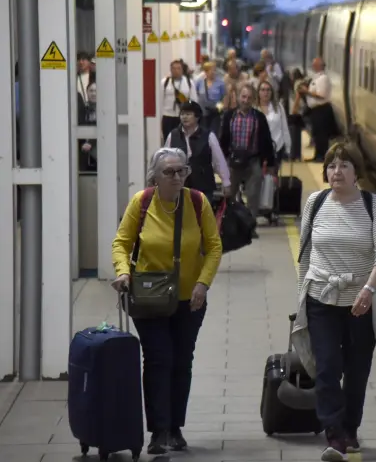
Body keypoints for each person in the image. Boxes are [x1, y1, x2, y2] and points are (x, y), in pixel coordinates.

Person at [291, 140, 376, 461]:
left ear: (357, 173)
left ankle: (350, 428)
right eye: (331, 166)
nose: (336, 171)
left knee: (357, 371)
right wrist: (301, 297)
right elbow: (305, 255)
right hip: (320, 299)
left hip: (360, 302)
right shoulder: (315, 201)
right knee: (327, 368)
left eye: (343, 165)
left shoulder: (374, 204)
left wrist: (368, 289)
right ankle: (334, 436)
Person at [110, 147, 223, 455]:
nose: (177, 177)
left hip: (190, 299)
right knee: (159, 359)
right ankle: (159, 431)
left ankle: (176, 428)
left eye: (181, 171)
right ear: (154, 177)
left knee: (181, 361)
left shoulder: (198, 203)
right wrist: (123, 273)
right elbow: (122, 243)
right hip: (150, 297)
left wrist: (203, 283)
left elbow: (213, 247)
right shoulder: (142, 203)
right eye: (169, 172)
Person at [218, 82, 277, 222]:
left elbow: (267, 141)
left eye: (249, 98)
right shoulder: (229, 117)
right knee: (229, 193)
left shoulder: (259, 117)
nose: (245, 100)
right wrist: (221, 161)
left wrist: (270, 163)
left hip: (253, 160)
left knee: (253, 194)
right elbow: (223, 140)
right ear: (238, 97)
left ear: (253, 99)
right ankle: (229, 224)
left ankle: (250, 225)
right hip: (233, 161)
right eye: (243, 97)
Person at [164, 101, 232, 204]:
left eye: (188, 114)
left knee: (201, 218)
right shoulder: (173, 135)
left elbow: (219, 161)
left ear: (197, 117)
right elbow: (165, 160)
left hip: (203, 186)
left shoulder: (208, 136)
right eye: (182, 114)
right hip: (179, 186)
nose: (184, 117)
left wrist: (226, 182)